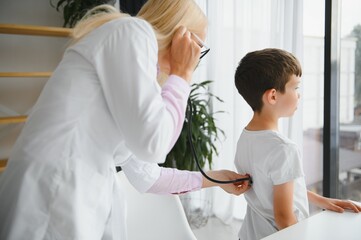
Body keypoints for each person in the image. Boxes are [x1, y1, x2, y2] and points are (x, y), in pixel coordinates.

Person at [0, 1, 251, 240]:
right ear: (179, 34)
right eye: (197, 47)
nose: (196, 58)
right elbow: (155, 144)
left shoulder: (141, 80)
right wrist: (182, 74)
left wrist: (216, 179)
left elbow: (149, 176)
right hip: (54, 186)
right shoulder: (132, 32)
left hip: (80, 192)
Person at [233, 48, 361, 240]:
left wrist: (322, 201)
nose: (299, 95)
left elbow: (275, 189)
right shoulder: (284, 149)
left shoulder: (246, 137)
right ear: (273, 96)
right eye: (295, 87)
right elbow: (284, 218)